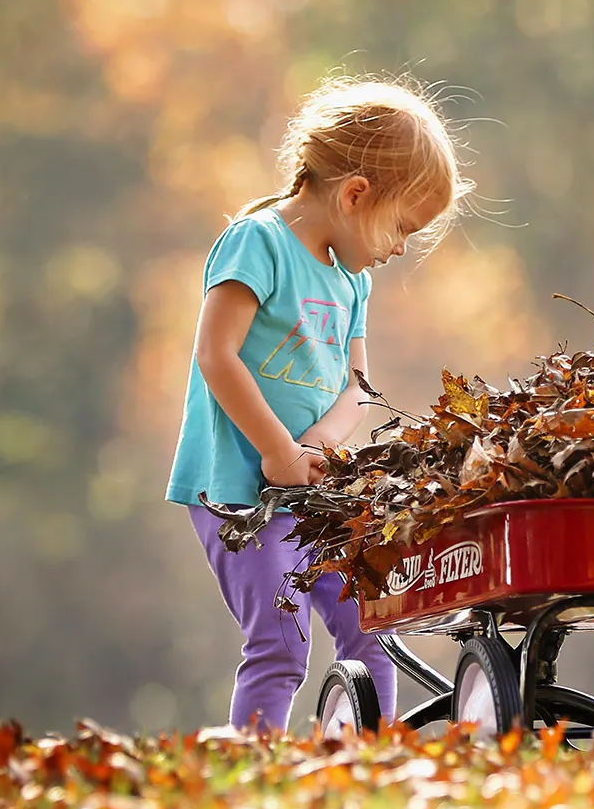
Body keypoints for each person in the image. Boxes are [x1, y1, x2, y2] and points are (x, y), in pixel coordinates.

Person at [167, 78, 471, 732]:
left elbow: (357, 386)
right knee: (281, 642)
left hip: (311, 493)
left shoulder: (351, 280)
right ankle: (258, 764)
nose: (399, 250)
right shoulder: (259, 243)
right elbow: (216, 354)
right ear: (356, 194)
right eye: (402, 229)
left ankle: (373, 755)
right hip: (237, 492)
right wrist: (278, 450)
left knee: (371, 621)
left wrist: (316, 453)